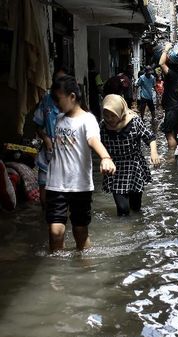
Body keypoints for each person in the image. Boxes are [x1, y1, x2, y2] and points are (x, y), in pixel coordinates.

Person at [45, 75, 116, 252]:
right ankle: (56, 272)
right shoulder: (59, 118)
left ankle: (85, 266)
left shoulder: (88, 119)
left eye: (58, 98)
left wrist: (106, 158)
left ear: (72, 97)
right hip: (56, 183)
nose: (55, 103)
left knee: (80, 230)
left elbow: (93, 141)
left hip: (80, 185)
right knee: (55, 231)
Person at [100, 94, 161, 216]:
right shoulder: (102, 126)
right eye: (106, 115)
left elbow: (150, 137)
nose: (109, 119)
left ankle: (136, 229)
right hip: (115, 169)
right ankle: (123, 231)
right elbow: (96, 143)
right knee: (123, 209)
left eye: (113, 115)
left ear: (120, 112)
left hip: (134, 167)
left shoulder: (134, 121)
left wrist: (154, 153)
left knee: (136, 207)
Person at [33, 66, 67, 208]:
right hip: (48, 152)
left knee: (63, 195)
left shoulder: (71, 101)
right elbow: (38, 125)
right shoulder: (46, 100)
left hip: (66, 152)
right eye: (57, 80)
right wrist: (46, 139)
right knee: (44, 196)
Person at [159, 42, 178, 149]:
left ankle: (171, 158)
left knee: (169, 135)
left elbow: (161, 63)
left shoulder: (172, 75)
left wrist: (166, 49)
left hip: (173, 109)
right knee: (176, 134)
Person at [136, 66, 157, 131]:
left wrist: (157, 94)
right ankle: (142, 119)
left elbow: (154, 86)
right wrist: (136, 95)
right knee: (143, 108)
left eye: (150, 72)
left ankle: (153, 119)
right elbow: (137, 85)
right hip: (143, 95)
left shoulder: (152, 77)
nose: (149, 74)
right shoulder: (142, 78)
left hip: (150, 96)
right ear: (145, 71)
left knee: (152, 108)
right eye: (148, 72)